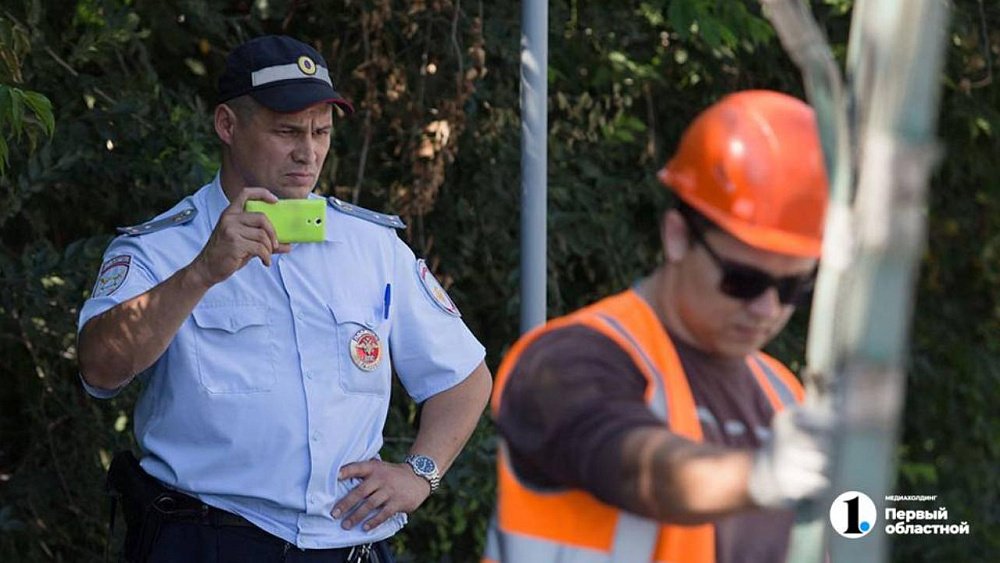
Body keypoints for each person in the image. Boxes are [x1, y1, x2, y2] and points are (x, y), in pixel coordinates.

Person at [77, 35, 492, 562]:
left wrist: (421, 474)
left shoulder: (371, 246)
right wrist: (202, 272)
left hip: (349, 545)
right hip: (210, 540)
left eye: (321, 132)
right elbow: (99, 369)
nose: (308, 151)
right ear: (227, 125)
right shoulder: (164, 247)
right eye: (287, 131)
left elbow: (465, 377)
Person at [484, 90, 833, 563]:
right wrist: (759, 476)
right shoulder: (566, 362)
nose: (768, 308)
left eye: (792, 288)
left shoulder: (783, 394)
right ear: (677, 237)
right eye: (743, 280)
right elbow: (642, 470)